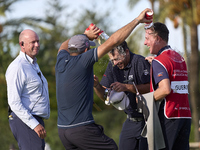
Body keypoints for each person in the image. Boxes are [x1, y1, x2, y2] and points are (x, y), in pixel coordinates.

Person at [55, 8, 152, 150]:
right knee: (111, 147)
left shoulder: (61, 59)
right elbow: (113, 41)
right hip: (81, 128)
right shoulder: (83, 61)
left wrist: (84, 36)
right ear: (86, 51)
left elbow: (63, 45)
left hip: (62, 131)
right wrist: (137, 20)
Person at [93, 41, 151, 150]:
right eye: (112, 60)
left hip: (148, 120)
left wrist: (127, 87)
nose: (114, 63)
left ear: (127, 52)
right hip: (131, 120)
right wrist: (97, 86)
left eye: (117, 59)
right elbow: (105, 96)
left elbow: (151, 88)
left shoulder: (139, 61)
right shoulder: (113, 66)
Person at [144, 22, 191, 150]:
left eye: (147, 38)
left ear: (157, 39)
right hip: (185, 115)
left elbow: (165, 89)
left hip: (169, 116)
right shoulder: (179, 58)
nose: (145, 42)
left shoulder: (159, 61)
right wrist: (157, 62)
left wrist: (145, 99)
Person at [5, 29, 50, 150]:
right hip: (25, 120)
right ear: (22, 44)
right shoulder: (17, 66)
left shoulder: (33, 64)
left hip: (34, 119)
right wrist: (34, 124)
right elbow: (14, 102)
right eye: (33, 42)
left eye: (38, 41)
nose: (37, 45)